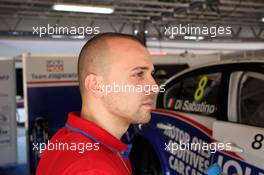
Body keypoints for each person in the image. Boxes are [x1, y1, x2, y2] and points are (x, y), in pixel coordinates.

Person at [36, 33, 158, 175]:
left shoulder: (67, 136)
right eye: (138, 74)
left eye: (151, 75)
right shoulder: (92, 169)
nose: (154, 87)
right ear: (96, 86)